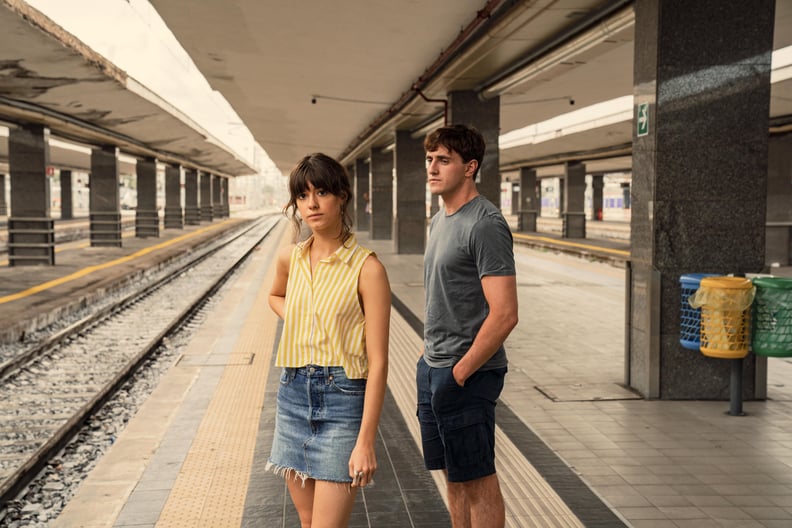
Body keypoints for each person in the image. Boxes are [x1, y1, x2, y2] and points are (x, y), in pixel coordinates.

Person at [267, 152, 391, 528]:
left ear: (342, 196)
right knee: (306, 521)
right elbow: (275, 296)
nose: (312, 204)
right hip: (292, 396)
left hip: (342, 402)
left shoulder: (368, 268)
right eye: (303, 196)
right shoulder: (290, 257)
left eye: (321, 192)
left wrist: (366, 440)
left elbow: (380, 361)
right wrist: (301, 317)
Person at [417, 125, 518, 528]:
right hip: (434, 366)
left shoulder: (485, 224)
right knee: (453, 475)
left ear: (470, 167)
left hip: (468, 373)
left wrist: (460, 371)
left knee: (477, 478)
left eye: (444, 160)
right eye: (429, 159)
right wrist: (430, 361)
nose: (432, 168)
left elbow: (506, 313)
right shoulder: (440, 218)